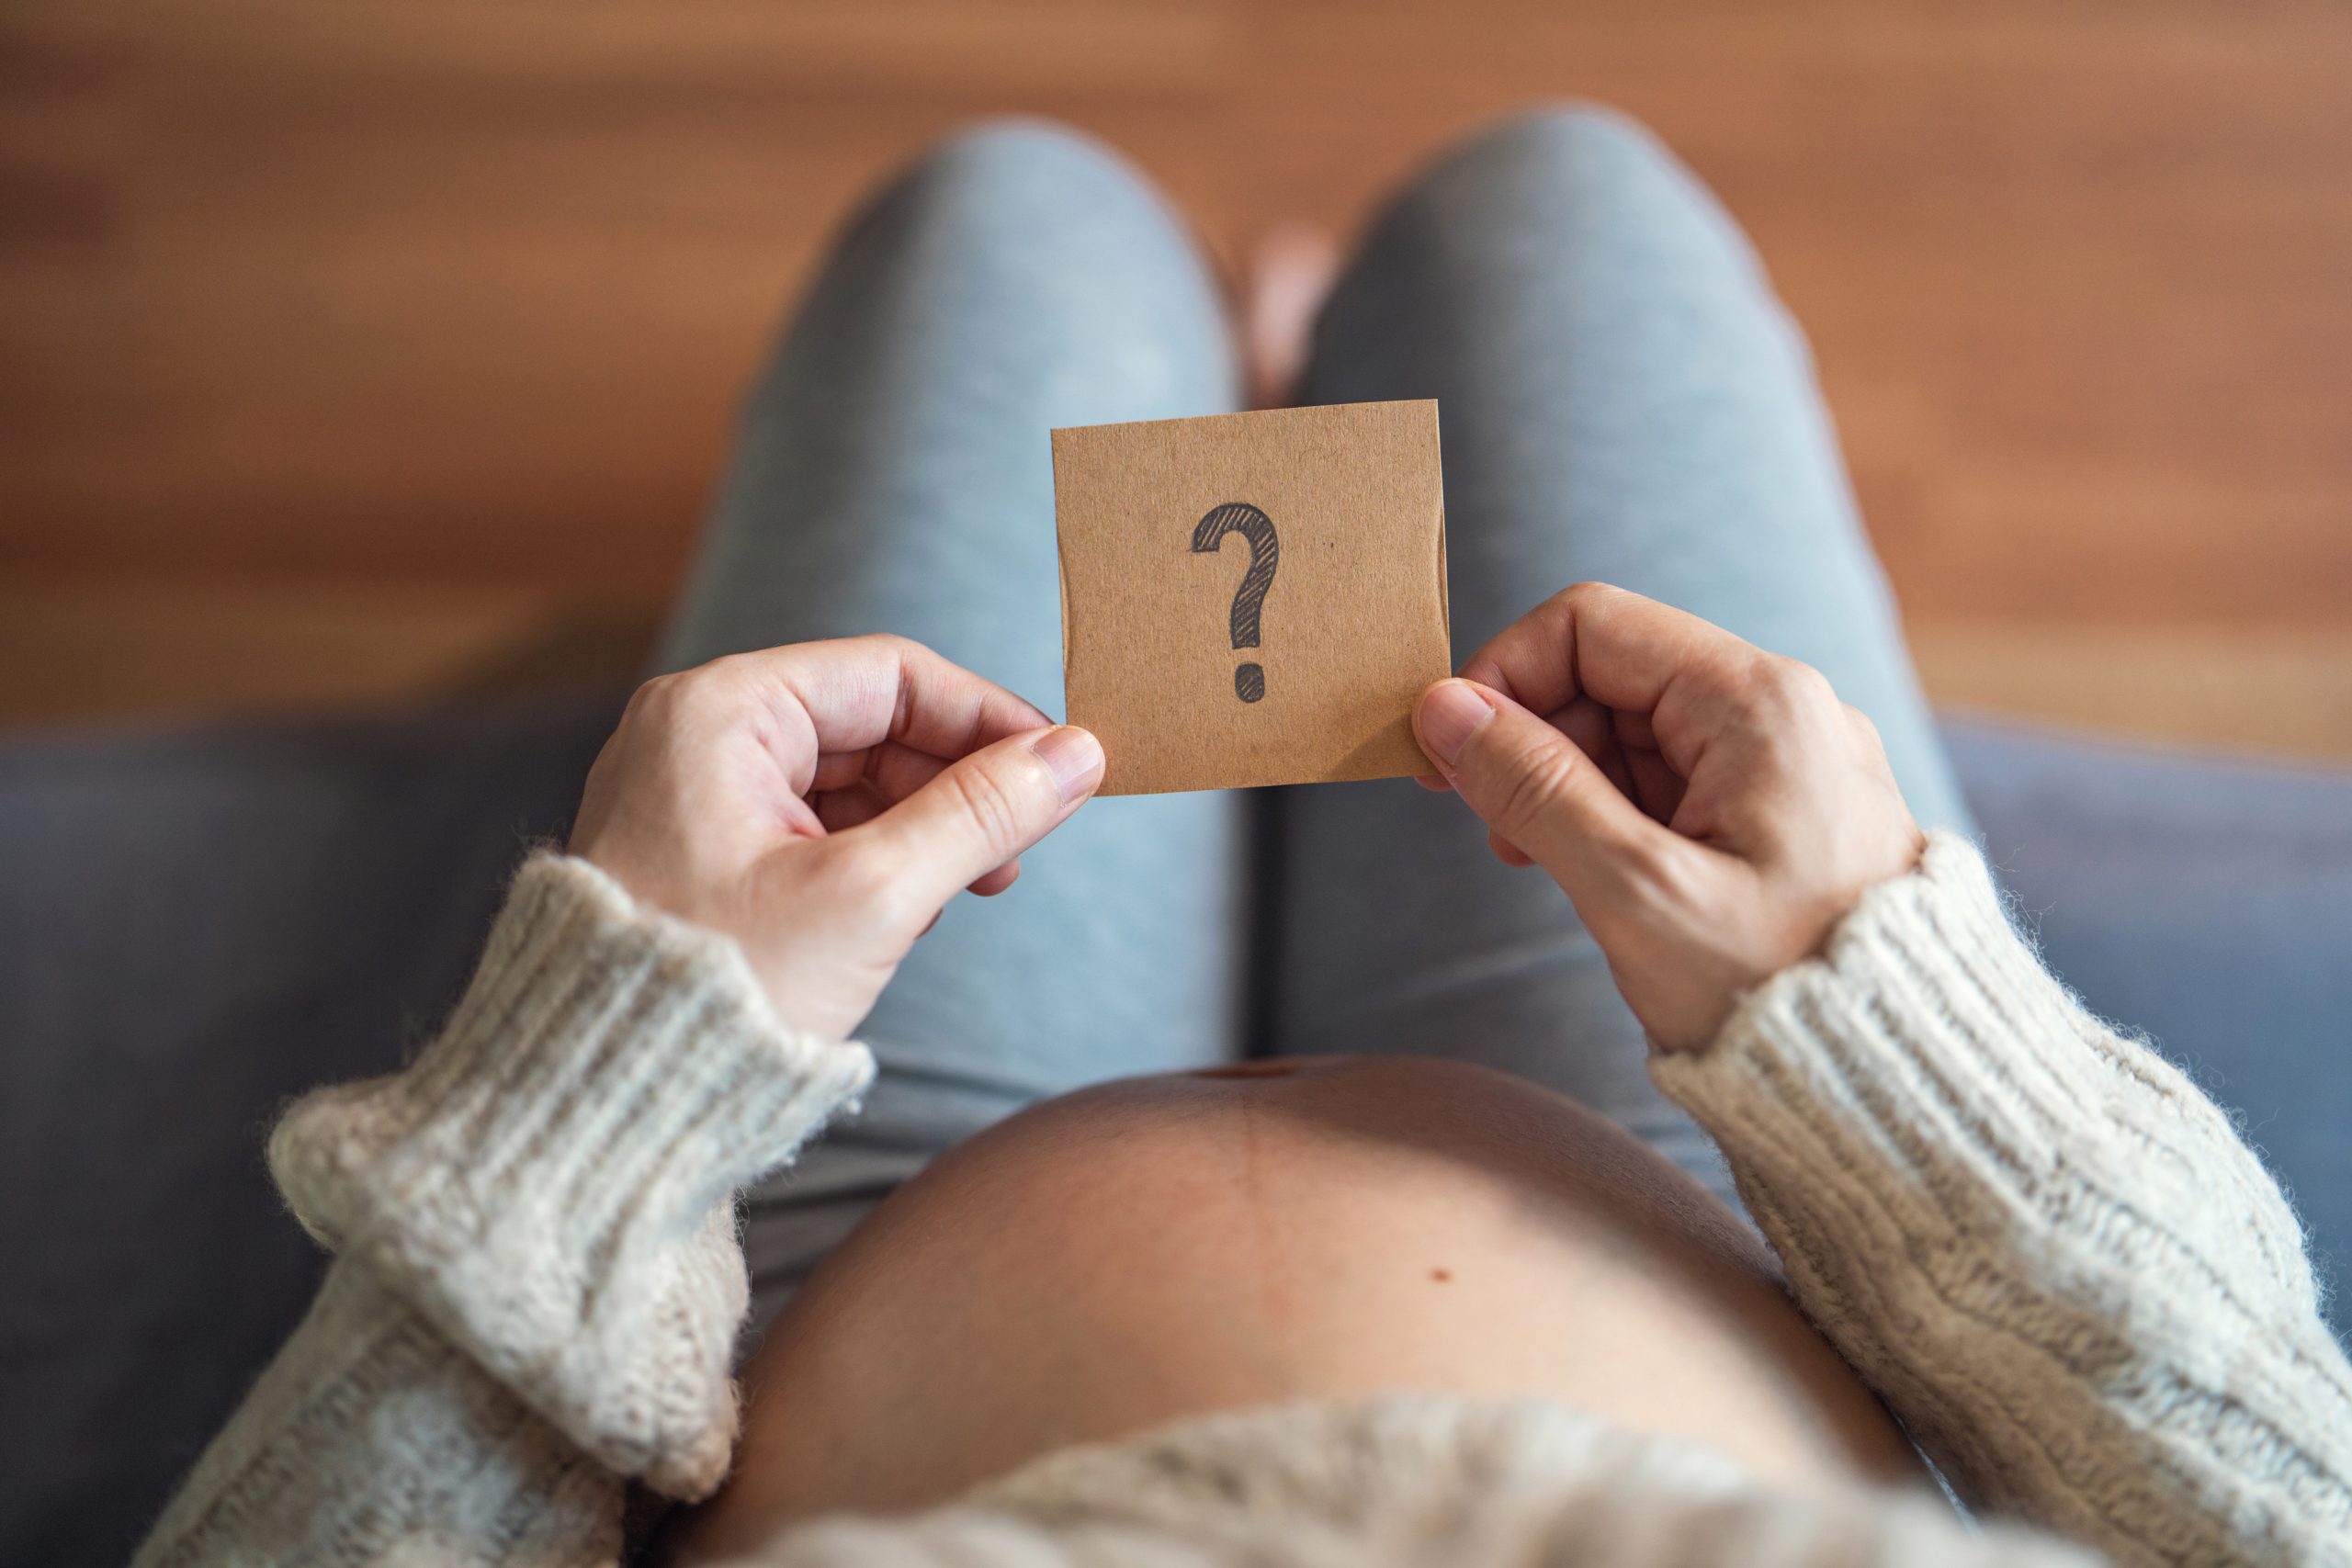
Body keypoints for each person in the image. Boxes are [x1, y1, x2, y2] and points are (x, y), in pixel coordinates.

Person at [131, 111, 2351, 1568]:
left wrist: (601, 1089)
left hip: (767, 1292)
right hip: (1765, 1226)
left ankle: (1255, 360)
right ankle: (1297, 372)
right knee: (1558, 200)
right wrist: (1886, 1026)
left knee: (1002, 213)